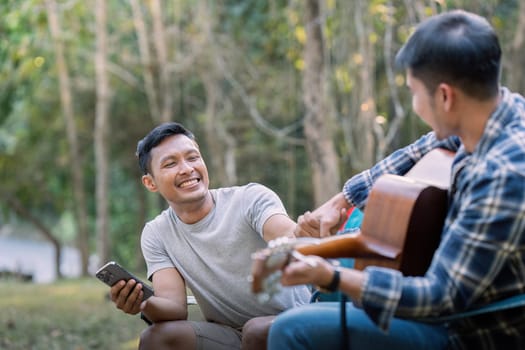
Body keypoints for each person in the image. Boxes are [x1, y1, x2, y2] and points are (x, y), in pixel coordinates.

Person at [266, 9, 525, 350]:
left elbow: (440, 296)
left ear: (445, 96)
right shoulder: (502, 114)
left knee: (290, 329)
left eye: (415, 93)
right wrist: (342, 199)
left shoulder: (502, 175)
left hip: (471, 330)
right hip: (450, 305)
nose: (415, 105)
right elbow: (425, 145)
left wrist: (332, 276)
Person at [108, 122, 311, 350]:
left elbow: (288, 236)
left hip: (294, 321)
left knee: (257, 331)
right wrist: (142, 301)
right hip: (231, 335)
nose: (186, 169)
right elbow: (174, 307)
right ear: (150, 182)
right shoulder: (157, 233)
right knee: (156, 338)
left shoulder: (250, 199)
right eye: (170, 163)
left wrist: (305, 233)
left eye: (193, 158)